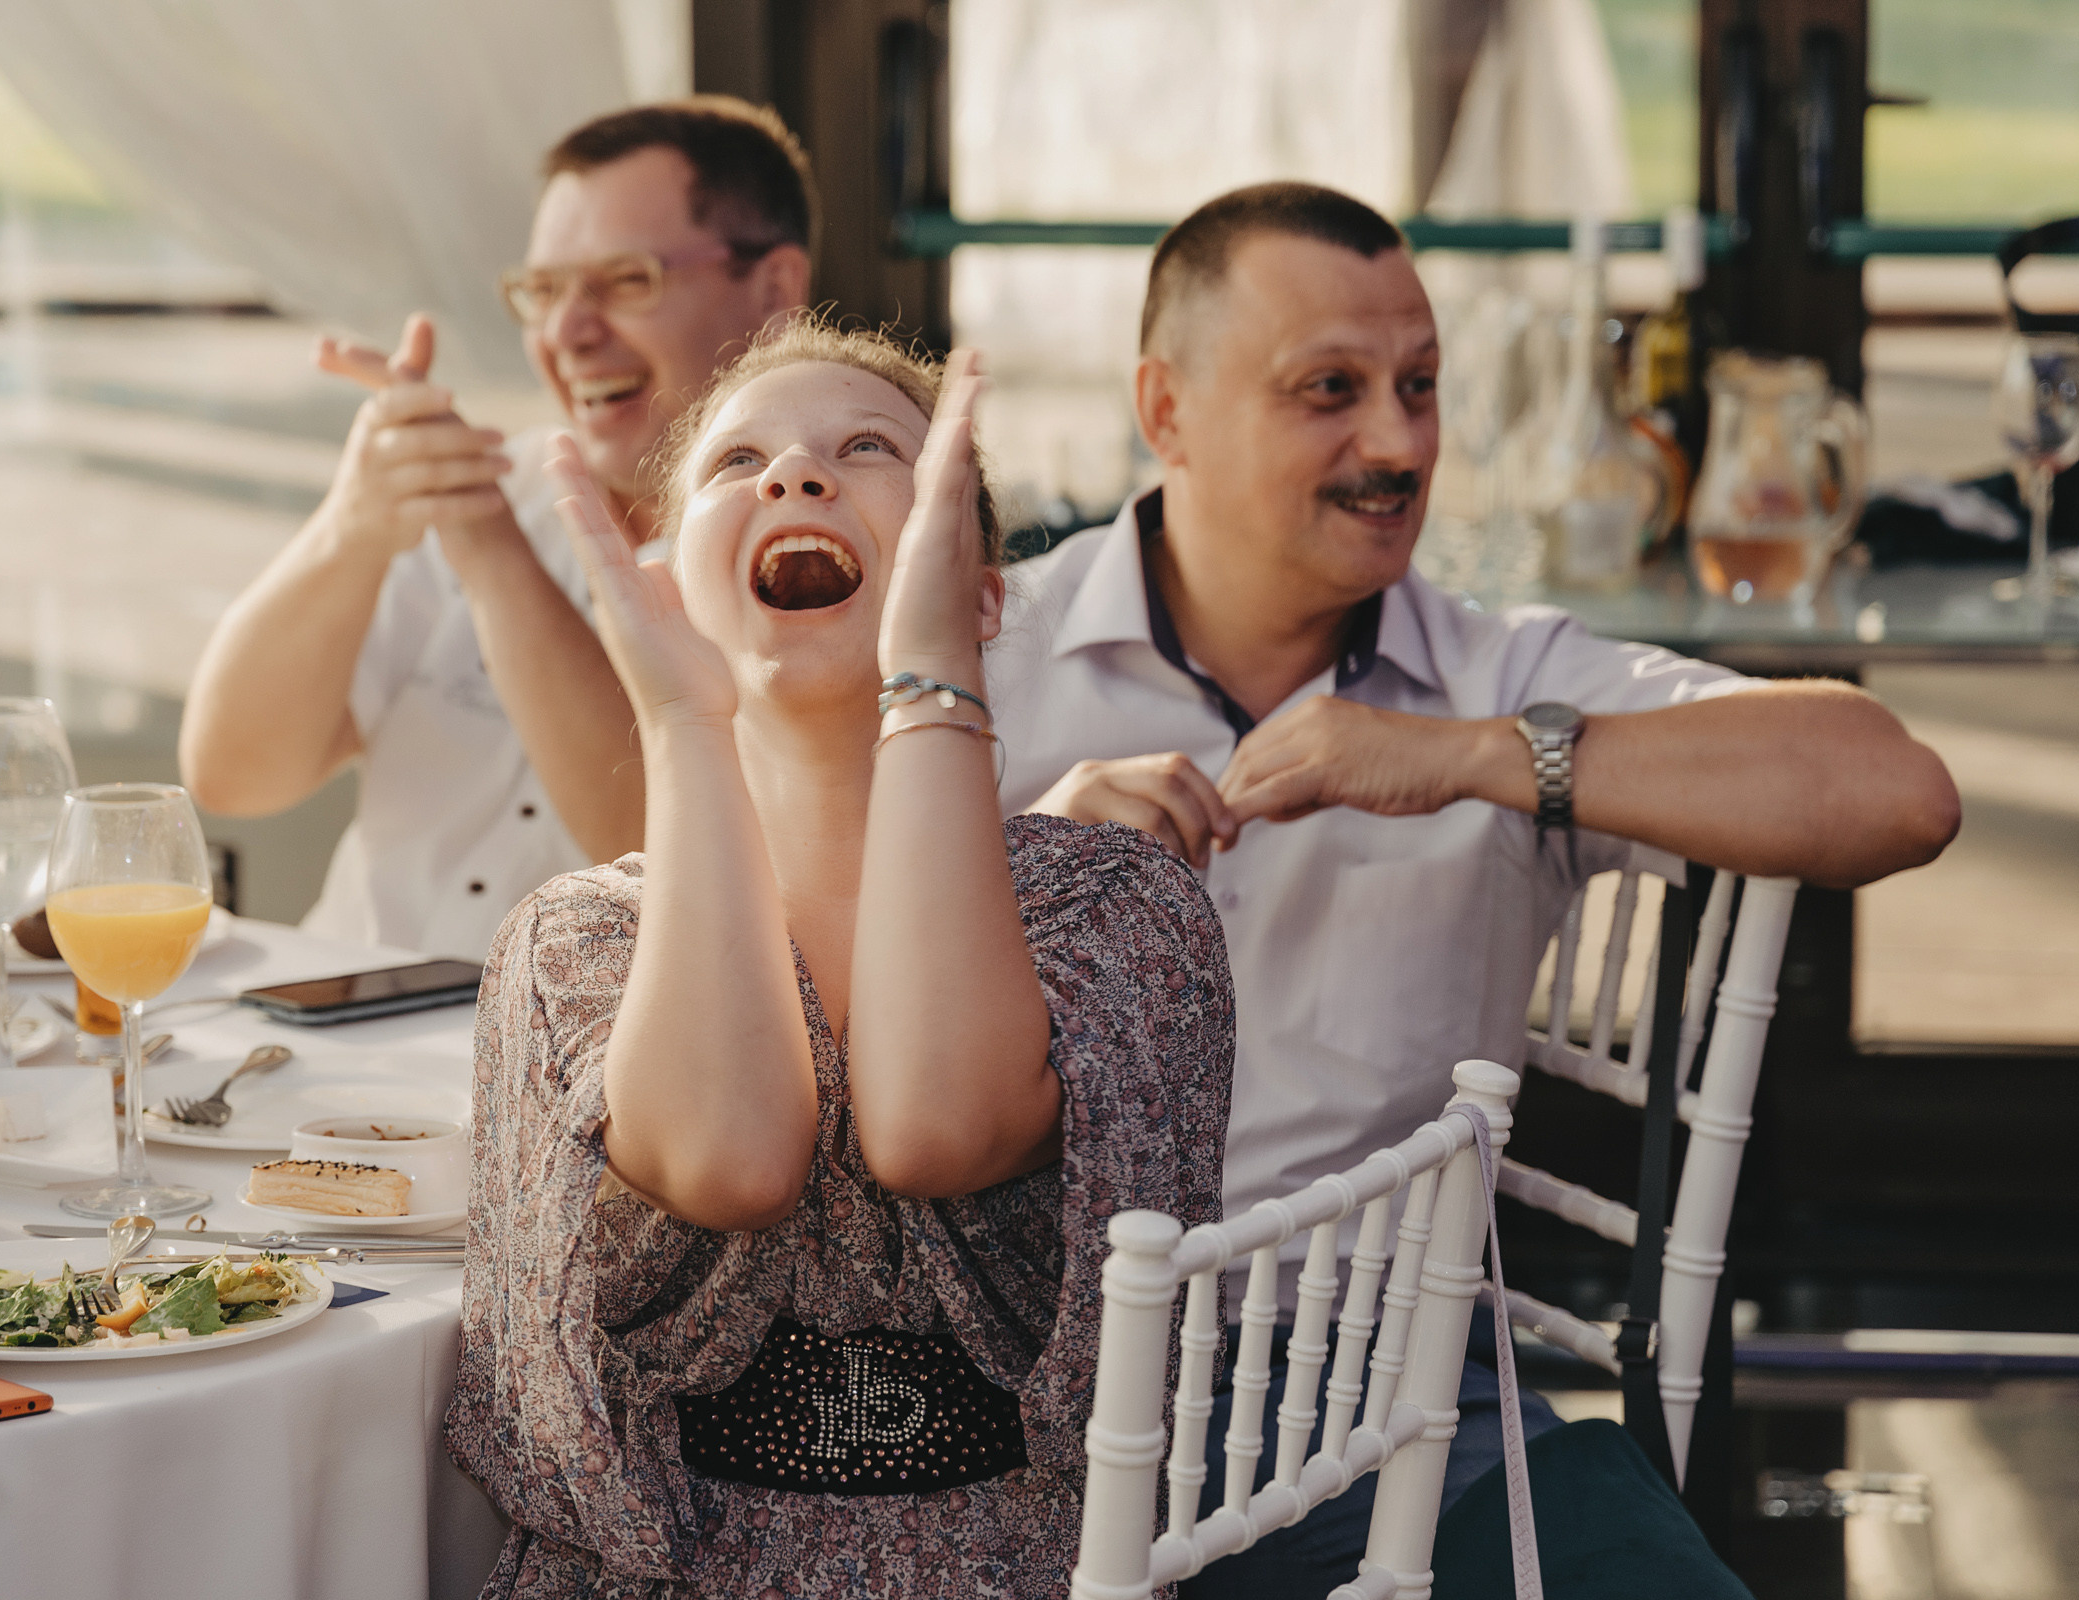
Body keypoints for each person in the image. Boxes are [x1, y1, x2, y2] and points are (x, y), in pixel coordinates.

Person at [985, 182, 1963, 1594]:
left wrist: (1475, 759)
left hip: (1379, 1403)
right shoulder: (984, 665)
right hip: (1009, 1393)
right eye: (1331, 389)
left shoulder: (1496, 682)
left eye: (1420, 386)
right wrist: (1028, 865)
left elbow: (1898, 791)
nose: (1398, 444)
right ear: (1168, 408)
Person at [445, 323, 1235, 1598]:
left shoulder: (1115, 904)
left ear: (983, 588)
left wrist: (930, 676)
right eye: (737, 461)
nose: (796, 476)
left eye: (868, 451)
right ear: (669, 586)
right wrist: (684, 721)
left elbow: (934, 1127)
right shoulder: (573, 941)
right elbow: (732, 1155)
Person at [180, 97, 816, 958]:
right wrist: (353, 529)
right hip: (334, 1023)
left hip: (570, 1072)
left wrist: (489, 549)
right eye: (543, 291)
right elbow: (233, 775)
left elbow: (658, 846)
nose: (568, 332)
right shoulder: (485, 487)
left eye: (627, 280)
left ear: (774, 291)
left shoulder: (820, 553)